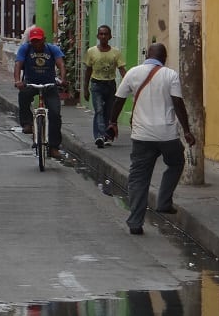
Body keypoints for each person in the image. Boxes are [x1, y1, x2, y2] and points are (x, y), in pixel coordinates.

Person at [106, 43, 195, 235]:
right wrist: (187, 130)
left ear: (146, 55)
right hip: (167, 134)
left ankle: (135, 222)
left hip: (141, 135)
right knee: (176, 162)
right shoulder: (170, 75)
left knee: (138, 178)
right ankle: (164, 201)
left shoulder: (133, 73)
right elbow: (178, 103)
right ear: (164, 58)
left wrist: (112, 122)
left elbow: (119, 99)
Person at [13, 26, 67, 160]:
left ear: (44, 39)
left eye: (38, 41)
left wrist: (63, 79)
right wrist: (17, 80)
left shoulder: (52, 49)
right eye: (33, 41)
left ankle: (54, 147)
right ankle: (27, 124)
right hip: (31, 83)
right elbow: (18, 64)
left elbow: (61, 64)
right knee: (23, 96)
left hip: (49, 84)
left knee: (55, 114)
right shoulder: (25, 48)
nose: (36, 44)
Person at [83, 25, 126, 149]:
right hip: (96, 84)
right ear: (97, 36)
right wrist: (85, 88)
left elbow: (122, 69)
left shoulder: (115, 52)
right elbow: (88, 70)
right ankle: (100, 136)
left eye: (105, 34)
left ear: (110, 36)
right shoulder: (91, 51)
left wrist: (128, 83)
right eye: (101, 34)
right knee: (99, 110)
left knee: (109, 112)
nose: (103, 36)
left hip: (110, 84)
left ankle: (108, 136)